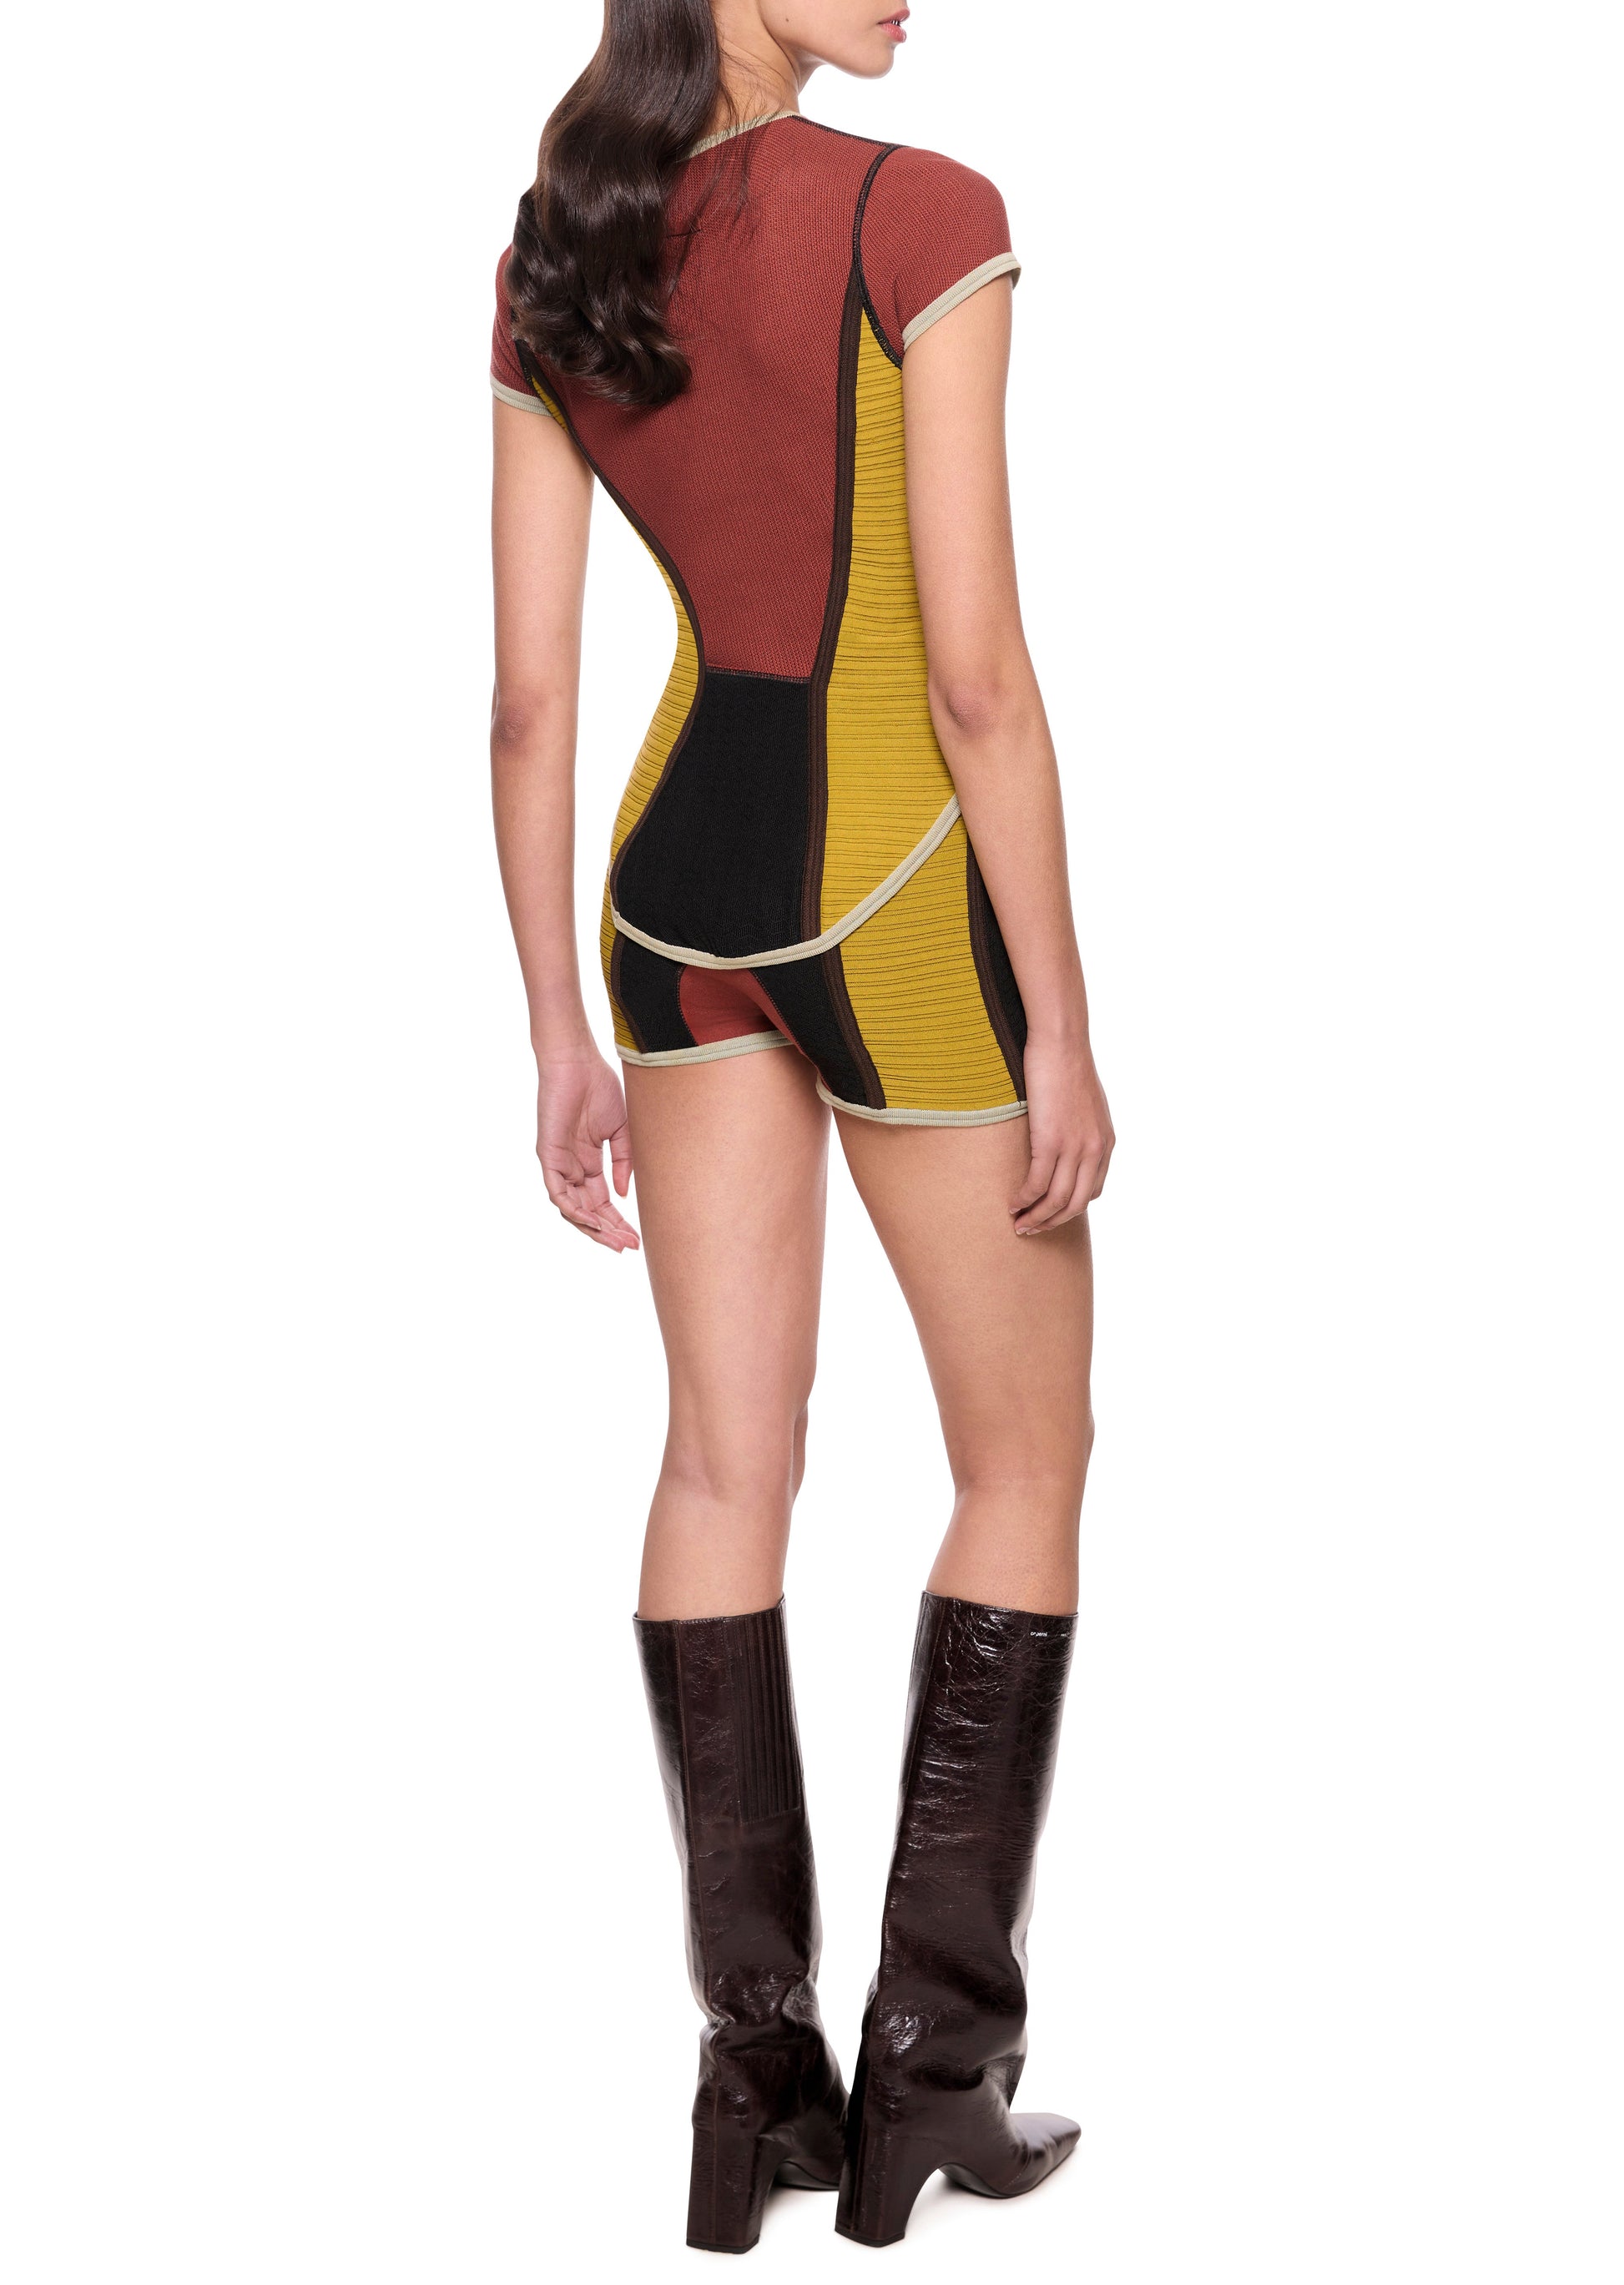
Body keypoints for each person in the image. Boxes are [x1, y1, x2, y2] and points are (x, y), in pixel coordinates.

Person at [488, 0, 1113, 2252]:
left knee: (716, 1465)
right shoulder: (916, 214)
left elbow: (529, 700)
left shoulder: (564, 240)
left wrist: (556, 1026)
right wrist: (1060, 1019)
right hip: (890, 891)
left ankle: (750, 2088)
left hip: (672, 902)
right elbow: (974, 679)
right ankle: (933, 2075)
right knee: (1024, 1460)